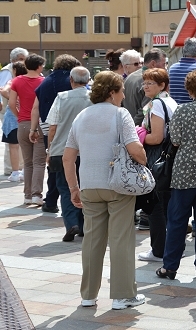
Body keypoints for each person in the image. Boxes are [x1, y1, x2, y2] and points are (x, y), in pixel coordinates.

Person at [63, 71, 147, 310]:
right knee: (121, 238)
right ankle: (122, 296)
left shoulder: (81, 116)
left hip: (89, 184)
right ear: (112, 92)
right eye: (121, 90)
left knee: (92, 240)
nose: (123, 95)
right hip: (117, 183)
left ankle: (88, 295)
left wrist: (73, 188)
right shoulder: (121, 114)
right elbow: (134, 148)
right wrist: (143, 163)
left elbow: (68, 157)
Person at [156, 70, 196, 280]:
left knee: (177, 221)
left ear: (189, 89)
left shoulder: (182, 111)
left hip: (184, 172)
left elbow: (174, 140)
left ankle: (170, 266)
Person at [45, 66, 92, 241]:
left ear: (71, 80)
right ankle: (85, 225)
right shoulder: (93, 97)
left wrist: (50, 149)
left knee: (65, 188)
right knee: (86, 187)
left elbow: (52, 127)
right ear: (87, 81)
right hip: (86, 150)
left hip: (62, 150)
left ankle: (72, 223)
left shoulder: (62, 97)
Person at [31, 54, 82, 213]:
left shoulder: (45, 81)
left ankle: (51, 200)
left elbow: (35, 107)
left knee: (54, 162)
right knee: (74, 161)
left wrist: (34, 128)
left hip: (48, 125)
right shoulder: (71, 80)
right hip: (70, 125)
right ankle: (74, 198)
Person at [137, 68, 177, 263]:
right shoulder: (170, 101)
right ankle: (169, 248)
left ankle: (158, 250)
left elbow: (157, 136)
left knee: (155, 206)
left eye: (150, 83)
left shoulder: (157, 104)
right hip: (170, 158)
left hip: (157, 158)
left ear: (162, 85)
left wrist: (139, 135)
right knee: (167, 206)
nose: (145, 86)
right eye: (144, 82)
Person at [9, 53, 46, 206]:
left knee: (27, 162)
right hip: (38, 124)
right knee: (39, 162)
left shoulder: (17, 80)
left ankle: (27, 195)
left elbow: (11, 103)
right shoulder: (43, 81)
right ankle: (37, 194)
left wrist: (20, 116)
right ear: (39, 66)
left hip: (23, 123)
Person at [1, 47, 28, 176]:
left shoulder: (15, 80)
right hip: (21, 113)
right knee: (16, 144)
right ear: (14, 60)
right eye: (21, 59)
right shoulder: (7, 71)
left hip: (14, 113)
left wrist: (14, 98)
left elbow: (4, 90)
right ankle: (11, 168)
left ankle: (17, 170)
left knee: (14, 144)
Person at [123, 48, 166, 125]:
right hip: (139, 129)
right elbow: (145, 109)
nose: (165, 68)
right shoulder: (151, 81)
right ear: (153, 64)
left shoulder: (129, 77)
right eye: (163, 64)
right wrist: (134, 127)